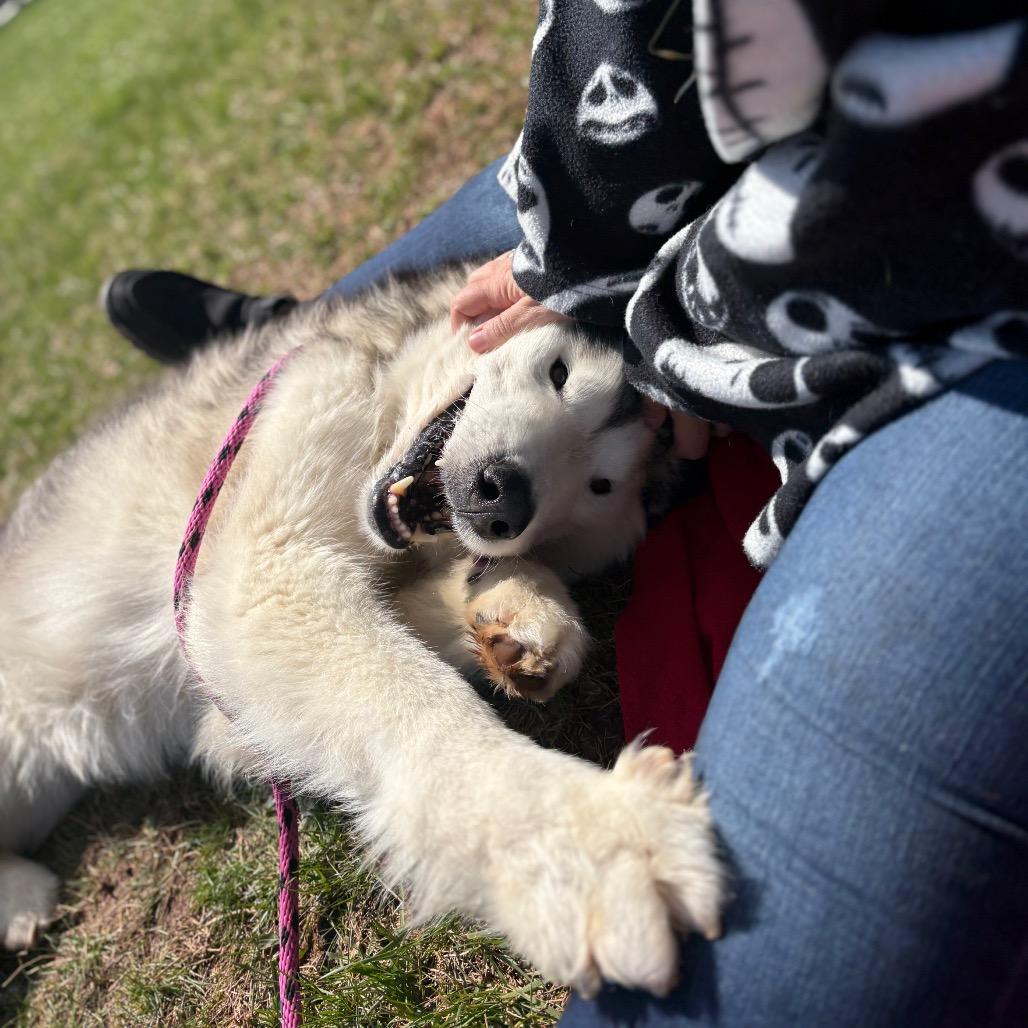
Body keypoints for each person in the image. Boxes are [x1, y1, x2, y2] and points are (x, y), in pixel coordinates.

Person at [103, 2, 1027, 1023]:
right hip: (741, 171)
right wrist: (612, 269)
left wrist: (674, 302)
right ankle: (298, 324)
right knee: (497, 249)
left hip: (970, 301)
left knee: (749, 969)